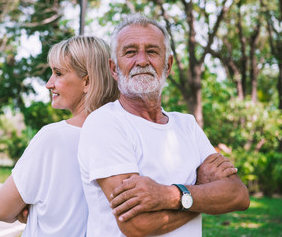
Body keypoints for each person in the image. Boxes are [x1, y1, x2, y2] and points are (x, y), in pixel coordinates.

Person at [78, 14, 250, 237]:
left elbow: (238, 195)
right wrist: (200, 190)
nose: (142, 61)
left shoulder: (186, 125)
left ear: (168, 65)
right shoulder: (105, 123)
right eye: (130, 52)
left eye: (152, 51)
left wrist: (169, 195)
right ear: (113, 68)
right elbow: (137, 224)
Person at [0, 36, 119, 236]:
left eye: (58, 73)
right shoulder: (121, 136)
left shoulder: (53, 137)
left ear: (87, 81)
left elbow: (0, 210)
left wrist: (27, 210)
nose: (49, 84)